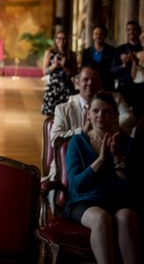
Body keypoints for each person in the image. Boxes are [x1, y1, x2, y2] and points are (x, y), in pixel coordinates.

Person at [64, 92, 140, 264]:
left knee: (126, 216)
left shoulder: (128, 144)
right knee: (100, 217)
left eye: (106, 111)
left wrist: (117, 157)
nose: (100, 116)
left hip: (117, 201)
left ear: (115, 115)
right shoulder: (77, 142)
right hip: (83, 202)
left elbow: (129, 188)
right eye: (96, 111)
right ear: (88, 114)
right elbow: (76, 186)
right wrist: (100, 160)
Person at [49, 65, 135, 180]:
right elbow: (55, 140)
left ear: (100, 83)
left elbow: (129, 118)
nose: (90, 83)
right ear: (77, 83)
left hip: (107, 163)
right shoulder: (62, 109)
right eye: (86, 79)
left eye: (94, 80)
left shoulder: (114, 99)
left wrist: (107, 128)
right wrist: (82, 131)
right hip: (69, 164)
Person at [41, 31, 78, 115]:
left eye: (64, 38)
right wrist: (54, 65)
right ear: (55, 40)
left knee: (66, 114)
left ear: (67, 40)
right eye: (59, 38)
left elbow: (74, 73)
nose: (61, 40)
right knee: (51, 114)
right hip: (53, 88)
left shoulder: (72, 54)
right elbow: (44, 72)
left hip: (67, 88)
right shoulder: (49, 52)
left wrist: (64, 66)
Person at [112, 21, 143, 117]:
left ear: (139, 31)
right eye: (129, 30)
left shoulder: (143, 48)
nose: (131, 32)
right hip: (124, 89)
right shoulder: (120, 49)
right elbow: (113, 70)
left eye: (134, 29)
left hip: (141, 90)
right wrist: (123, 65)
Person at [81, 25, 116, 91]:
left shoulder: (112, 51)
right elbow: (83, 69)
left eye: (101, 34)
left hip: (107, 86)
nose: (98, 36)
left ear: (105, 36)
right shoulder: (86, 52)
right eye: (96, 34)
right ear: (92, 36)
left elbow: (113, 70)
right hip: (90, 86)